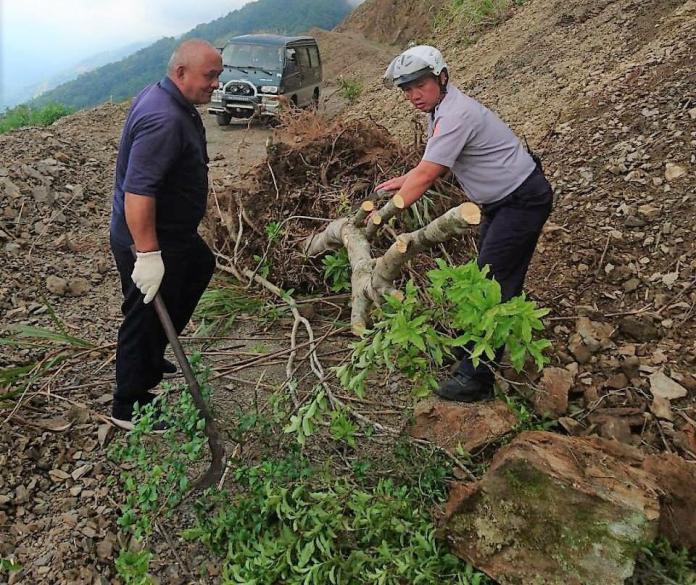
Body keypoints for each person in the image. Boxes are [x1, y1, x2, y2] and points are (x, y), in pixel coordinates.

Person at [379, 45, 553, 403]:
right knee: (484, 277)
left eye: (419, 86)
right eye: (406, 89)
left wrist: (382, 216)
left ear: (442, 77)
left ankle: (477, 378)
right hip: (501, 203)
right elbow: (431, 163)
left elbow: (429, 174)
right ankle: (471, 349)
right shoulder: (441, 109)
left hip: (521, 201)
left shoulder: (456, 114)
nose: (413, 96)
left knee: (494, 284)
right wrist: (406, 178)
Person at [109, 39, 223, 430]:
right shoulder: (164, 119)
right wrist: (147, 254)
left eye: (218, 75)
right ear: (181, 73)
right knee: (142, 313)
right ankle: (129, 404)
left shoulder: (172, 100)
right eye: (210, 76)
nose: (216, 84)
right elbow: (139, 194)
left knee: (199, 266)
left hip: (173, 233)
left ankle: (155, 348)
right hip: (148, 237)